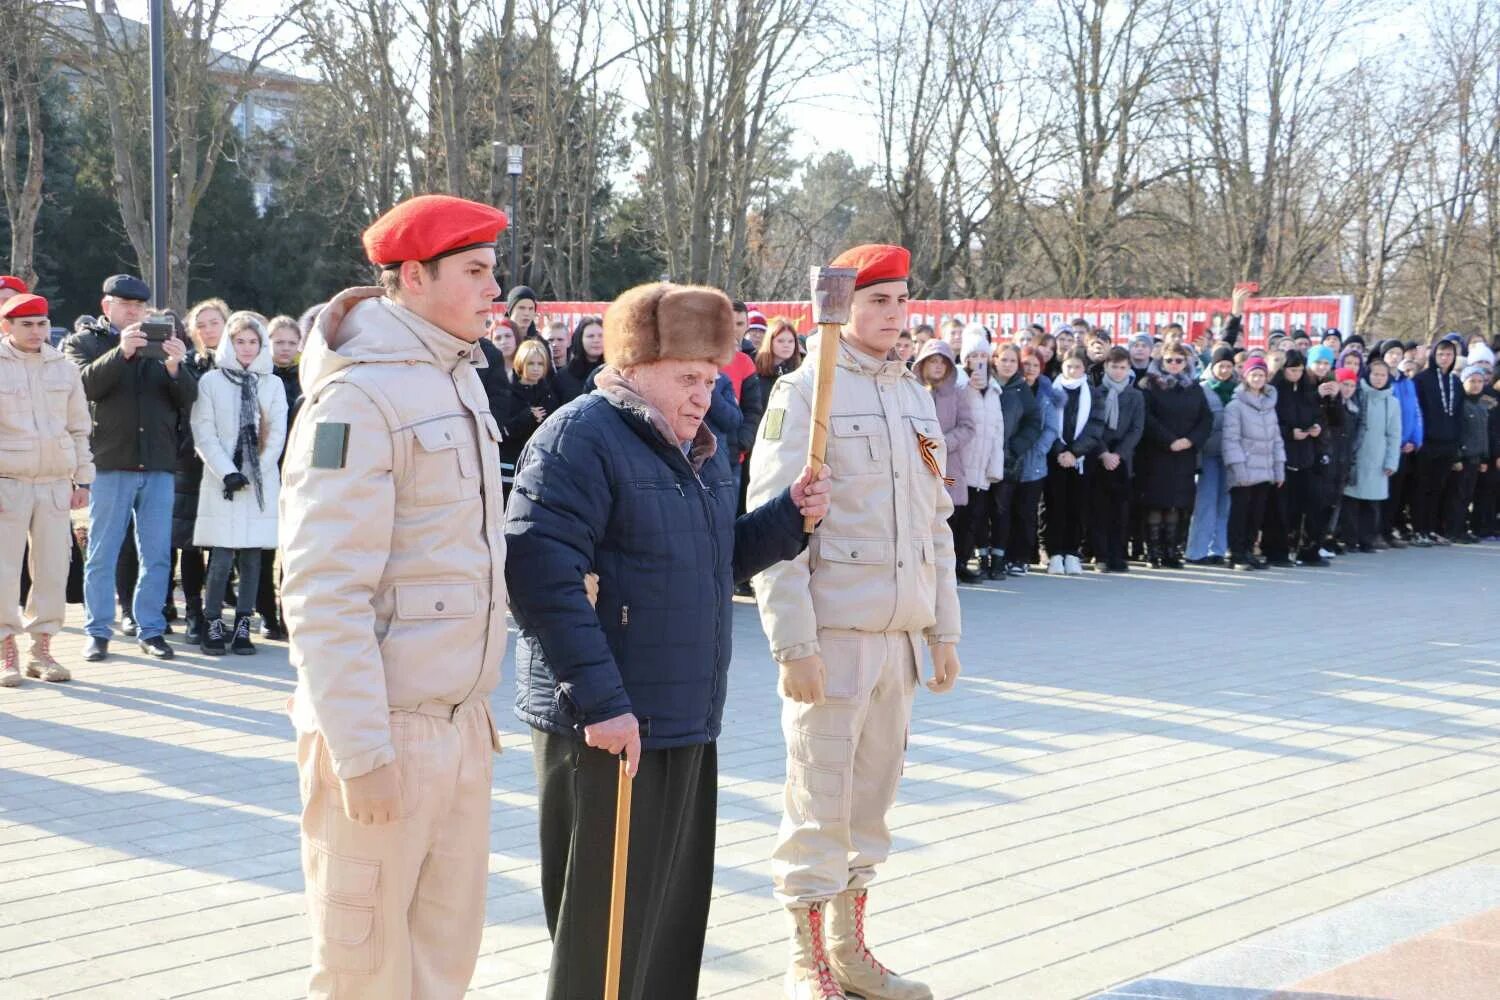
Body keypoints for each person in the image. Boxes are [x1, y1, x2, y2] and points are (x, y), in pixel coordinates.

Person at [505, 281, 829, 1000]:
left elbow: (711, 560)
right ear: (634, 365)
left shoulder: (703, 448)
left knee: (669, 925)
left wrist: (785, 520)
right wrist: (601, 704)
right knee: (606, 935)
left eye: (712, 378)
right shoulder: (578, 437)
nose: (703, 395)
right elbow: (541, 578)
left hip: (683, 720)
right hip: (608, 728)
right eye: (688, 377)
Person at [279, 194, 510, 999]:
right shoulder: (358, 397)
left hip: (459, 726)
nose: (495, 289)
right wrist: (362, 751)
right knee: (365, 973)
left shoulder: (457, 381)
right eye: (476, 271)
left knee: (443, 967)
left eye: (493, 271)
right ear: (413, 277)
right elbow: (322, 590)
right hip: (385, 733)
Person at [748, 243, 959, 1000]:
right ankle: (806, 961)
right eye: (875, 301)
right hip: (833, 638)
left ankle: (851, 952)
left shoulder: (914, 396)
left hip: (898, 638)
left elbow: (937, 524)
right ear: (838, 308)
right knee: (818, 799)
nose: (892, 316)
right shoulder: (806, 394)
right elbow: (774, 528)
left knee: (870, 801)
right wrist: (792, 642)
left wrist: (944, 630)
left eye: (901, 301)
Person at [65, 274, 196, 661]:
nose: (134, 312)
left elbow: (190, 399)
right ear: (107, 307)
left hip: (157, 465)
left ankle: (151, 629)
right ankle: (98, 631)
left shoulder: (163, 344)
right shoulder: (83, 342)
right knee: (103, 553)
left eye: (138, 306)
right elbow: (83, 388)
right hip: (109, 463)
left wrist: (176, 366)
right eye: (125, 305)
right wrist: (120, 353)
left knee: (156, 554)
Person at [0, 294, 93, 687]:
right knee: (3, 569)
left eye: (41, 324)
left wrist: (83, 479)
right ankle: (6, 649)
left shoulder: (64, 368)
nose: (36, 332)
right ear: (7, 326)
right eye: (26, 325)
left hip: (56, 483)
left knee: (54, 568)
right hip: (8, 481)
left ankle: (42, 649)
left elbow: (79, 428)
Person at [190, 312, 287, 656]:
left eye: (253, 342)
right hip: (223, 480)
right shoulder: (212, 381)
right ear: (230, 344)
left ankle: (244, 622)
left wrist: (256, 470)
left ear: (262, 345)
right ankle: (212, 620)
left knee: (253, 556)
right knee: (221, 553)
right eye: (239, 341)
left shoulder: (271, 383)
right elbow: (204, 430)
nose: (246, 348)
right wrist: (226, 471)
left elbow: (277, 432)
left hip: (259, 482)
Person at [174, 300, 228, 644]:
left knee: (224, 545)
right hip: (191, 463)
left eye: (215, 322)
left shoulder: (243, 364)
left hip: (230, 465)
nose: (208, 330)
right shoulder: (187, 365)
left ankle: (215, 614)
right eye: (201, 324)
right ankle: (193, 612)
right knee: (190, 545)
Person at [1137, 343, 1212, 568]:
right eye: (1169, 360)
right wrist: (1169, 440)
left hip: (1185, 455)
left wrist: (1190, 440)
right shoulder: (1149, 385)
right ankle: (1153, 552)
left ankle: (1171, 552)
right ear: (1161, 361)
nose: (1174, 365)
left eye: (1179, 360)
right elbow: (1147, 418)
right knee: (1156, 503)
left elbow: (1206, 418)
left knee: (1176, 504)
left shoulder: (1194, 387)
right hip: (1157, 453)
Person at [256, 314, 305, 641]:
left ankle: (289, 614)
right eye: (279, 343)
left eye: (291, 343)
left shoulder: (308, 376)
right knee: (264, 548)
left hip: (298, 469)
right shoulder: (259, 376)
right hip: (265, 468)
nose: (285, 349)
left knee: (294, 547)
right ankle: (266, 614)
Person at [915, 338, 977, 582]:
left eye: (943, 362)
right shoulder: (913, 392)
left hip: (950, 464)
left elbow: (968, 427)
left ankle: (954, 566)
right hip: (919, 463)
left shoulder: (958, 394)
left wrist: (944, 442)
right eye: (933, 361)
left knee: (951, 519)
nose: (938, 366)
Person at [1222, 357, 1284, 570]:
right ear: (1245, 377)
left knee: (1256, 514)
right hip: (1244, 469)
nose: (1258, 379)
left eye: (1261, 375)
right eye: (1254, 374)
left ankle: (1248, 550)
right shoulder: (1235, 406)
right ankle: (1236, 553)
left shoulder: (1269, 406)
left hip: (1264, 469)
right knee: (1240, 513)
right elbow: (1231, 440)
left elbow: (1276, 439)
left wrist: (1279, 469)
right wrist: (1239, 469)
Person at [1045, 352, 1105, 575]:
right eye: (1069, 366)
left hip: (1081, 461)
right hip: (1056, 459)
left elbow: (1096, 425)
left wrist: (1075, 452)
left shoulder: (1093, 393)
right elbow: (1047, 423)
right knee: (1055, 507)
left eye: (1077, 367)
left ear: (1084, 369)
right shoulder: (1052, 391)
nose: (1072, 370)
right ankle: (1055, 554)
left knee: (1077, 507)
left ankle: (1072, 553)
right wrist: (1061, 451)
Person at [955, 334, 1006, 581]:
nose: (978, 360)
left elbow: (998, 431)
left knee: (972, 519)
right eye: (973, 356)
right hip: (957, 465)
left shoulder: (994, 389)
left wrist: (995, 467)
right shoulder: (957, 383)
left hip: (980, 467)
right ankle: (950, 565)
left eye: (982, 355)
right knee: (952, 518)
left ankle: (963, 562)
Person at [1088, 347, 1144, 572]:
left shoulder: (1135, 395)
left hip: (1122, 459)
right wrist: (1103, 453)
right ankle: (1101, 554)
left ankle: (1117, 554)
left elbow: (1137, 428)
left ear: (1129, 368)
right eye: (1114, 367)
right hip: (1099, 455)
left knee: (1120, 511)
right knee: (1099, 509)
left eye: (1122, 367)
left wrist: (1119, 454)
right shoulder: (1095, 392)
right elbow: (1091, 426)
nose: (1118, 372)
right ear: (1106, 367)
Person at [992, 344, 1041, 578]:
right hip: (980, 459)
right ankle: (980, 556)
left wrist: (1016, 447)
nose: (1008, 365)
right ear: (995, 360)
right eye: (1004, 360)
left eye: (1013, 361)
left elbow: (1033, 422)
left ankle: (1000, 559)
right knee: (979, 512)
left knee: (1003, 511)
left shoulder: (1022, 389)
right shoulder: (984, 384)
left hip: (1008, 461)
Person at [1006, 346, 1056, 575]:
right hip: (1010, 459)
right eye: (1026, 364)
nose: (1031, 369)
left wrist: (1038, 449)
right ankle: (1004, 554)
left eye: (1036, 365)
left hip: (1033, 462)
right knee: (1006, 510)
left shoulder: (1046, 396)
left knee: (1027, 512)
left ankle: (1021, 557)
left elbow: (1050, 429)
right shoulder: (1010, 389)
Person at [1187, 346, 1239, 564]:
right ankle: (1196, 551)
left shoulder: (1239, 390)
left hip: (1230, 456)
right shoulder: (1202, 389)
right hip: (1207, 454)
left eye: (1228, 366)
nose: (1225, 370)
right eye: (1221, 366)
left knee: (1225, 504)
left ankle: (1218, 549)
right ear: (1212, 366)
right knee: (1205, 503)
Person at [1343, 359, 1401, 552]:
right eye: (1375, 374)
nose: (1378, 378)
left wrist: (1392, 461)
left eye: (1382, 375)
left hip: (1378, 457)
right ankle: (1349, 539)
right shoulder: (1359, 394)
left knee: (1372, 502)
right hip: (1357, 455)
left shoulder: (1392, 403)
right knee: (1351, 500)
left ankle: (1367, 540)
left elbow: (1394, 434)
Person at [1412, 336, 1465, 545]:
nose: (1445, 358)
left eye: (1449, 354)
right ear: (1434, 355)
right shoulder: (1422, 379)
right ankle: (1418, 529)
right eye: (1441, 354)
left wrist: (1457, 444)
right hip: (1427, 442)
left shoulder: (1456, 382)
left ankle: (1432, 528)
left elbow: (1459, 414)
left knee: (1438, 488)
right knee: (1421, 486)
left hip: (1448, 443)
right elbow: (1417, 411)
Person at [1375, 339, 1422, 547]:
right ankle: (1374, 531)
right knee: (1380, 491)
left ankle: (1388, 530)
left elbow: (1415, 411)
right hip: (1384, 445)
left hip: (1403, 446)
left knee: (1396, 493)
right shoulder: (1379, 379)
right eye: (1391, 353)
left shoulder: (1406, 381)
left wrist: (1414, 439)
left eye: (1398, 353)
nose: (1395, 357)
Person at [500, 339, 562, 496]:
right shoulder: (508, 392)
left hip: (540, 466)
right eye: (531, 363)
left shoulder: (549, 394)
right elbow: (504, 431)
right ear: (521, 363)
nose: (536, 368)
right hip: (512, 465)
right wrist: (527, 417)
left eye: (540, 364)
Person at [1452, 364, 1491, 543]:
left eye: (1479, 381)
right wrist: (1457, 456)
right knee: (1458, 496)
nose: (1476, 385)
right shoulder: (1461, 405)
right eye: (1471, 381)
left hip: (1476, 458)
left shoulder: (1482, 406)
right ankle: (1455, 529)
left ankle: (1463, 528)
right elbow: (1457, 433)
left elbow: (1484, 434)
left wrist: (1485, 457)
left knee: (1468, 495)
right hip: (1463, 457)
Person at [552, 315, 604, 402]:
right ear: (580, 339)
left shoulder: (616, 372)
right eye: (590, 336)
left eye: (601, 335)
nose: (596, 340)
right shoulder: (563, 377)